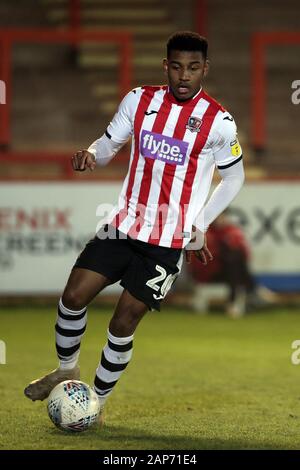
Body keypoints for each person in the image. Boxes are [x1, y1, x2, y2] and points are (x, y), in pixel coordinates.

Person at [24, 31, 245, 424]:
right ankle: (67, 369)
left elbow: (233, 179)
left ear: (205, 69)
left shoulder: (219, 122)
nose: (184, 76)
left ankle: (96, 404)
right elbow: (109, 145)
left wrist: (200, 223)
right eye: (176, 66)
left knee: (123, 321)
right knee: (73, 296)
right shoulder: (139, 100)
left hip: (166, 241)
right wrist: (91, 155)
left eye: (193, 68)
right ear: (166, 66)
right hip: (123, 226)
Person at [189, 212, 277, 317]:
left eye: (222, 216)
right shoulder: (202, 232)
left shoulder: (230, 230)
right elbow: (200, 260)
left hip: (229, 271)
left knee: (234, 260)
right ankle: (252, 290)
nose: (220, 219)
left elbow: (245, 254)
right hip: (208, 272)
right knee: (233, 262)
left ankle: (237, 300)